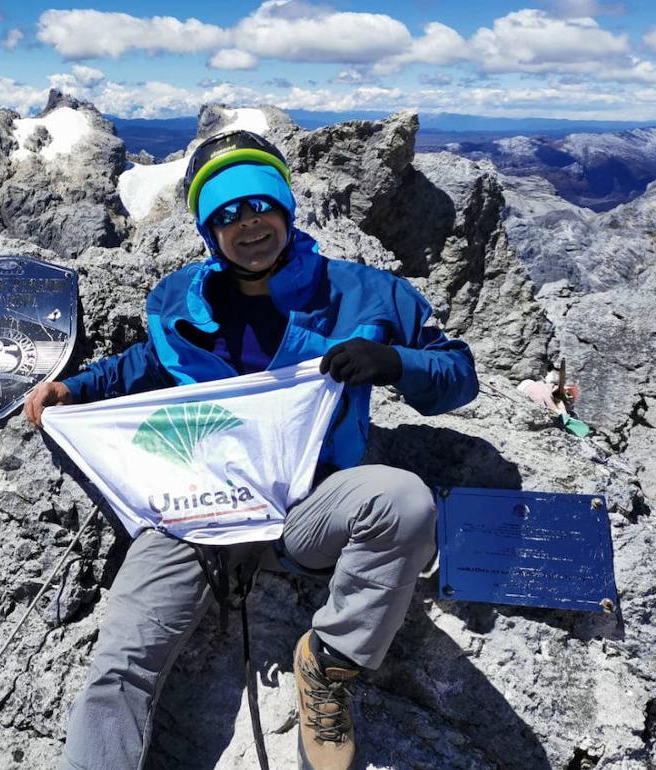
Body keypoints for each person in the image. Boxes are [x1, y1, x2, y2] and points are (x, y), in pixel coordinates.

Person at [25, 130, 478, 770]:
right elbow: (148, 364)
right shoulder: (181, 301)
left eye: (260, 205)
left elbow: (458, 377)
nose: (249, 224)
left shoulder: (367, 295)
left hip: (312, 499)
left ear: (285, 208)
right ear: (210, 233)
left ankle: (327, 663)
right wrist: (74, 387)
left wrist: (393, 360)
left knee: (402, 501)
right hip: (199, 501)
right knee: (120, 664)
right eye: (227, 215)